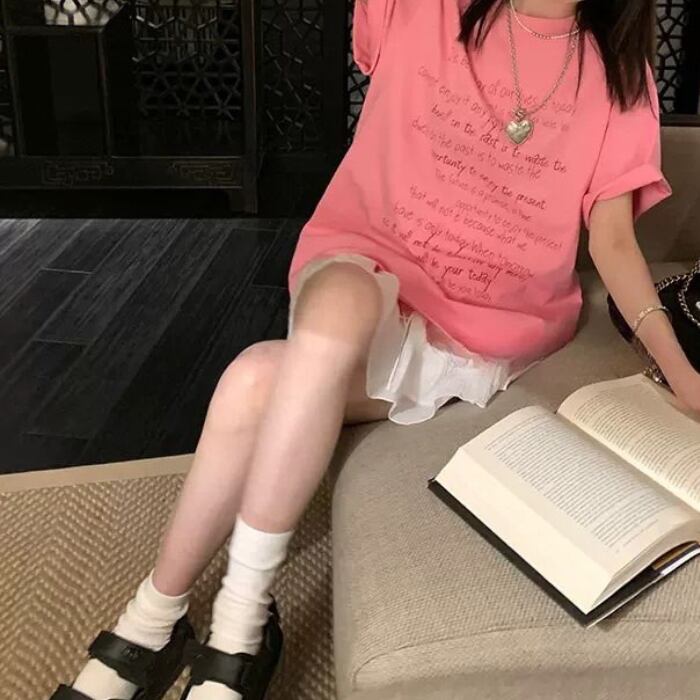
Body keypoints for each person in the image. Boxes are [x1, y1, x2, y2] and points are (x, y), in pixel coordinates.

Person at [52, 0, 700, 698]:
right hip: (363, 264)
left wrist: (682, 371)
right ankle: (237, 630)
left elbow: (612, 240)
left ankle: (151, 623)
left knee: (253, 379)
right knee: (340, 308)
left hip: (479, 328)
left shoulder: (619, 70)